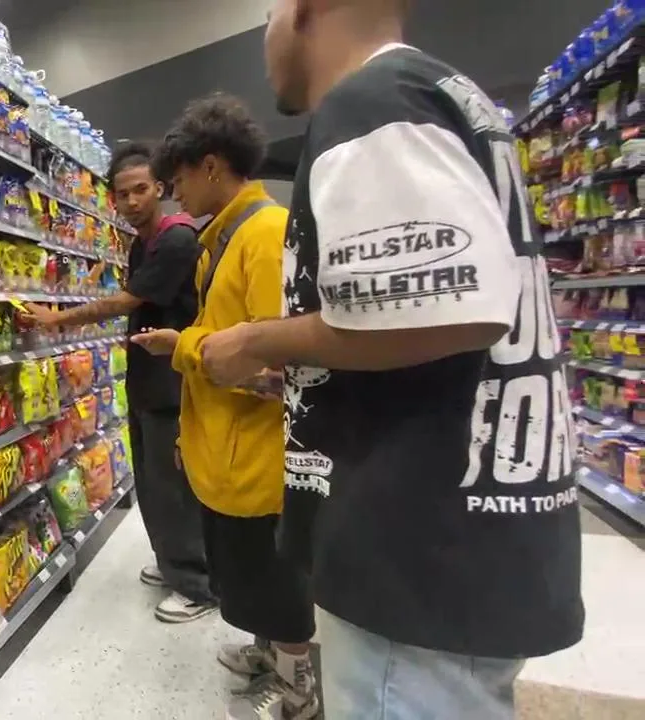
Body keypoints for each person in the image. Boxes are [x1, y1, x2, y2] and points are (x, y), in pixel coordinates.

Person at [188, 0, 584, 717]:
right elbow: (419, 312)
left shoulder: (371, 102)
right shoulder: (433, 94)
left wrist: (255, 340)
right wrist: (304, 371)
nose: (265, 36)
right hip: (459, 532)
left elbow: (449, 309)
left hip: (415, 551)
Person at [131, 93, 318, 720]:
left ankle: (299, 691)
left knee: (276, 582)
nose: (173, 194)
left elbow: (275, 365)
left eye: (178, 179)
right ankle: (268, 654)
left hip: (256, 459)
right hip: (226, 449)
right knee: (250, 577)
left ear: (211, 166)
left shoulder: (262, 235)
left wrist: (185, 347)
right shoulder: (223, 239)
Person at [24, 141, 216, 623]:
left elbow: (125, 302)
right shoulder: (140, 243)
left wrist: (57, 318)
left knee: (174, 486)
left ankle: (198, 583)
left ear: (160, 189)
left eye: (140, 190)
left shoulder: (177, 240)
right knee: (151, 480)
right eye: (122, 194)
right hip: (148, 379)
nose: (131, 201)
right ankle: (173, 563)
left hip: (174, 381)